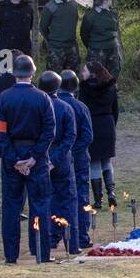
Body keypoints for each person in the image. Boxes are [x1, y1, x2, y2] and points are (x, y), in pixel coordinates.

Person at [0, 55, 55, 264]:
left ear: (14, 74)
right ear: (32, 73)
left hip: (13, 155)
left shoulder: (3, 98)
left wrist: (13, 159)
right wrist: (35, 158)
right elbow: (49, 131)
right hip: (36, 157)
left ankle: (11, 255)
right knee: (40, 205)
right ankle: (41, 253)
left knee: (11, 206)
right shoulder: (43, 98)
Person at [39, 70, 78, 255]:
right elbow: (70, 137)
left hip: (42, 157)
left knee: (44, 201)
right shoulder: (66, 107)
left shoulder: (38, 106)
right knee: (68, 201)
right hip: (61, 158)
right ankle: (73, 243)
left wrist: (45, 158)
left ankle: (46, 243)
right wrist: (55, 159)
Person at [58, 70, 94, 248]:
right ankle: (81, 236)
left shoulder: (52, 105)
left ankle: (55, 235)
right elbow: (88, 136)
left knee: (56, 195)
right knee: (81, 195)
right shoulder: (80, 107)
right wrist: (74, 151)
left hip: (57, 158)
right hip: (78, 158)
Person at [79, 60, 119, 211]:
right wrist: (111, 125)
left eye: (85, 71)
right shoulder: (111, 87)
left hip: (92, 125)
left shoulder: (84, 89)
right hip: (107, 124)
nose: (82, 73)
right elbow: (116, 111)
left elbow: (82, 110)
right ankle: (111, 192)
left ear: (92, 73)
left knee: (94, 163)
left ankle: (98, 199)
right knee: (107, 162)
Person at [0, 0, 34, 74]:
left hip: (24, 48)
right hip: (6, 49)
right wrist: (1, 43)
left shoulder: (27, 9)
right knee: (5, 76)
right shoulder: (1, 9)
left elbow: (30, 26)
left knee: (25, 75)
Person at [40, 0, 80, 71]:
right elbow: (43, 27)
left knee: (73, 77)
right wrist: (53, 39)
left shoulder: (73, 5)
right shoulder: (50, 7)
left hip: (72, 46)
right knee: (54, 78)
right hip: (56, 48)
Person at [80, 0, 122, 77]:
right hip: (96, 51)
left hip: (113, 49)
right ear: (105, 1)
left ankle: (111, 90)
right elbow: (84, 34)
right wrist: (93, 46)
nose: (111, 0)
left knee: (114, 72)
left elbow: (114, 30)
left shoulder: (113, 13)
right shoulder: (90, 16)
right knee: (94, 75)